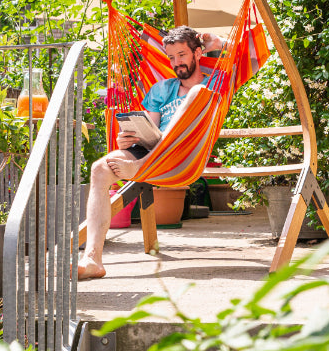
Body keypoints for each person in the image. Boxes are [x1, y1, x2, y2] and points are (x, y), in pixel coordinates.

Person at [78, 25, 226, 280]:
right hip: (154, 153)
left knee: (198, 93)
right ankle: (92, 259)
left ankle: (142, 166)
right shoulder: (161, 89)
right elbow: (151, 130)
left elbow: (253, 55)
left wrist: (219, 42)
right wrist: (129, 137)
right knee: (100, 169)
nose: (176, 62)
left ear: (198, 53)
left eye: (181, 55)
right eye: (171, 57)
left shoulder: (216, 82)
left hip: (186, 154)